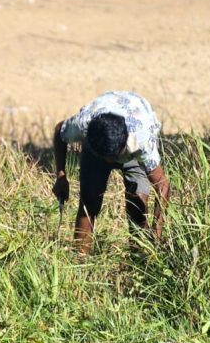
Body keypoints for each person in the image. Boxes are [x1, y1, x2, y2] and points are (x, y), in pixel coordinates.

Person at [51, 91, 170, 254]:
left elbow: (162, 186)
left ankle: (139, 258)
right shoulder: (84, 124)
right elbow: (59, 131)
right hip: (97, 146)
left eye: (113, 157)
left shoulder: (141, 140)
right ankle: (79, 261)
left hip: (131, 144)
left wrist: (157, 230)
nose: (109, 162)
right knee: (88, 202)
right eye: (106, 157)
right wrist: (61, 176)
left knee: (138, 199)